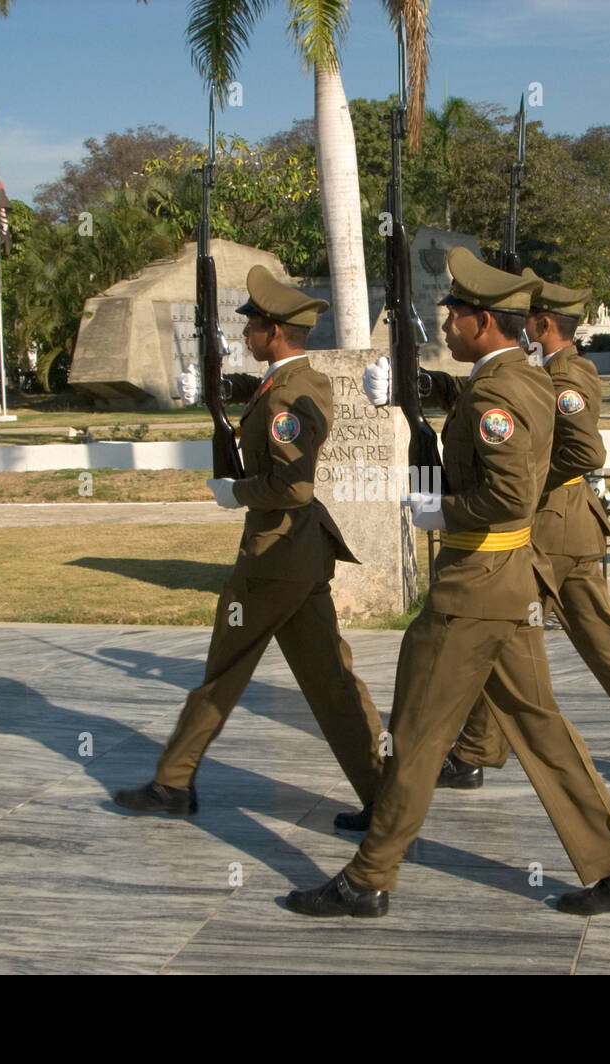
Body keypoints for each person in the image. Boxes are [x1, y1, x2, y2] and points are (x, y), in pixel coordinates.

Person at [284, 247, 610, 919]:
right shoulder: (522, 376)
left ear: (482, 320)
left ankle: (369, 877)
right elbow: (487, 422)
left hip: (472, 591)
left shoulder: (500, 392)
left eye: (452, 314)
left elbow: (511, 494)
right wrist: (416, 390)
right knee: (540, 729)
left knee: (418, 731)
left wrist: (439, 508)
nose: (446, 324)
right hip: (507, 584)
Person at [113, 265, 384, 819]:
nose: (245, 334)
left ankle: (173, 782)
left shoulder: (288, 394)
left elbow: (292, 483)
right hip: (301, 558)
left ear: (276, 331)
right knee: (332, 683)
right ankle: (385, 798)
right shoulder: (297, 382)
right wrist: (231, 393)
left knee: (225, 670)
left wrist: (235, 492)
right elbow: (273, 424)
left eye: (253, 324)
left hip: (273, 558)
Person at [421, 271, 610, 788]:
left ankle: (475, 754)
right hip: (558, 533)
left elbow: (585, 452)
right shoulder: (537, 371)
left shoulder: (569, 374)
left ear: (541, 322)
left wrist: (527, 479)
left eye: (524, 316)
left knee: (513, 639)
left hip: (555, 532)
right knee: (559, 643)